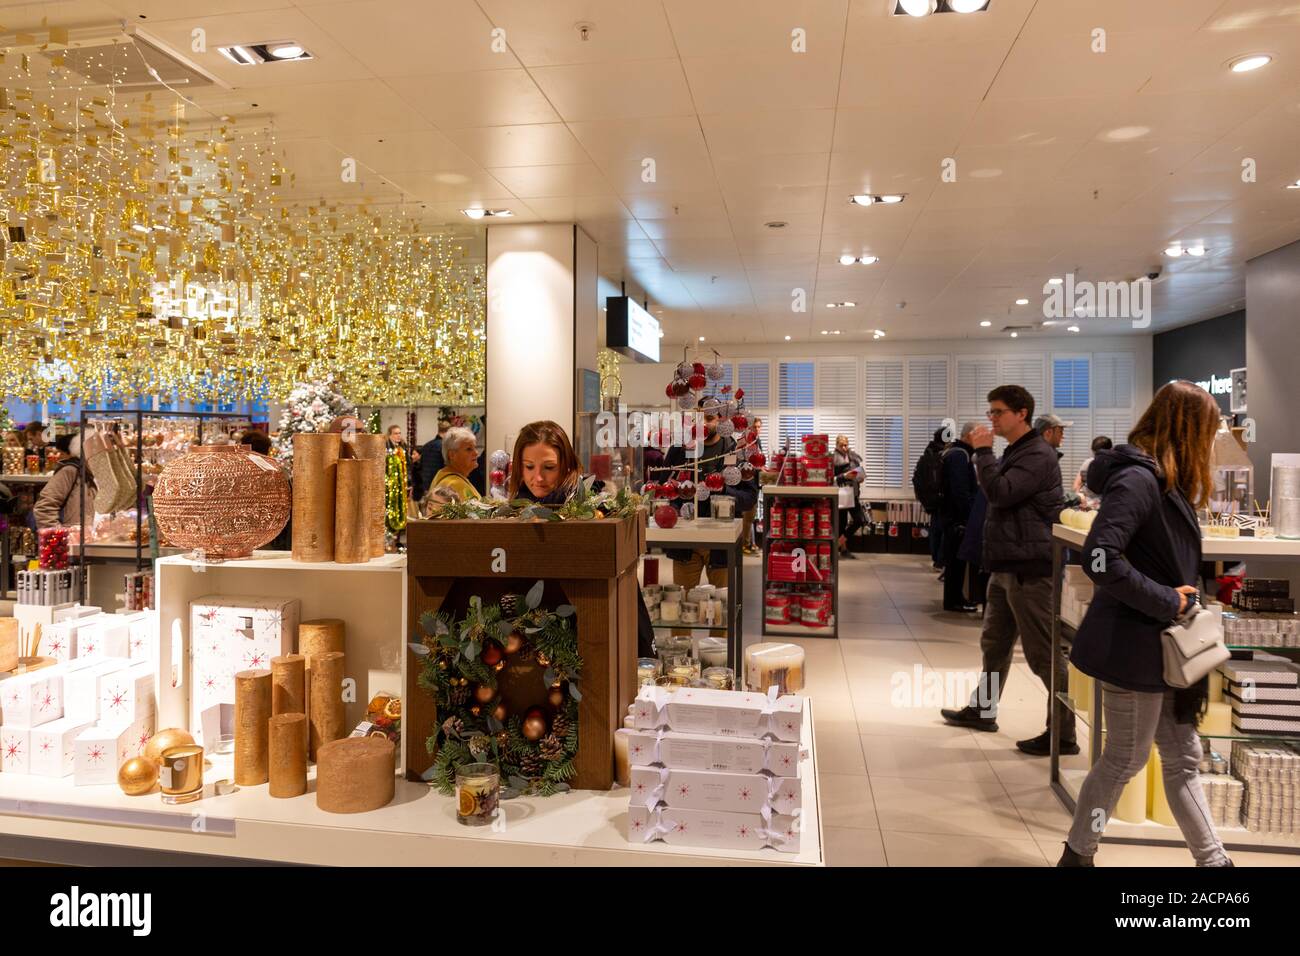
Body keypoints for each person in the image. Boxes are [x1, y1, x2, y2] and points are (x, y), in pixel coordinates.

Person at [1060, 381, 1230, 867]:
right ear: (1188, 429)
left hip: (1168, 648)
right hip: (1137, 644)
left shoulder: (1162, 480)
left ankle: (1215, 862)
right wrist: (1167, 601)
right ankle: (1078, 853)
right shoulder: (1139, 480)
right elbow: (1099, 558)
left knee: (1182, 760)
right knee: (1124, 761)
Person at [940, 385, 1073, 756]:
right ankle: (983, 709)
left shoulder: (1038, 454)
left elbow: (1000, 492)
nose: (991, 418)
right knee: (994, 644)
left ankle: (1063, 733)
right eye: (991, 412)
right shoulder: (1018, 450)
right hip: (1007, 566)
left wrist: (982, 451)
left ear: (1022, 413)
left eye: (998, 412)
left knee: (1044, 655)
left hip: (1031, 569)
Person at [509, 420, 654, 657]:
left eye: (548, 467)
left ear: (565, 465)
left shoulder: (592, 507)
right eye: (528, 466)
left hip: (592, 629)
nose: (538, 477)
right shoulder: (519, 504)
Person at [662, 399, 759, 596]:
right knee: (680, 607)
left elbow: (749, 498)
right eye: (698, 418)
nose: (703, 424)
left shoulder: (736, 450)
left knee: (722, 612)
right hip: (685, 543)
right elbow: (662, 487)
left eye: (709, 418)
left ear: (721, 419)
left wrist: (722, 490)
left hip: (721, 543)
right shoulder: (680, 450)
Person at [939, 422, 980, 612]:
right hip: (956, 518)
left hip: (950, 516)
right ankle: (954, 601)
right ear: (970, 435)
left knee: (955, 560)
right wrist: (970, 516)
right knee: (955, 561)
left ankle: (957, 598)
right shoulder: (959, 455)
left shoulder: (955, 453)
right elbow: (960, 491)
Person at [35, 434, 92, 529]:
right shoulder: (71, 470)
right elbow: (44, 508)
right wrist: (60, 537)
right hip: (74, 539)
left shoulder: (96, 474)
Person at [913, 426, 948, 570]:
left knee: (935, 528)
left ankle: (936, 559)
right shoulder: (944, 454)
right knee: (944, 529)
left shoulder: (927, 454)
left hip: (931, 499)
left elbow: (917, 478)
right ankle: (940, 561)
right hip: (944, 498)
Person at [426, 426, 481, 502]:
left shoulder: (443, 474)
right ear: (452, 455)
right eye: (469, 449)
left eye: (475, 448)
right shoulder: (454, 484)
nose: (476, 453)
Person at [832, 434, 864, 558]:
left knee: (859, 520)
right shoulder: (833, 458)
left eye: (846, 445)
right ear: (836, 445)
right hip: (840, 494)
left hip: (853, 493)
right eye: (842, 445)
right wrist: (844, 476)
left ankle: (838, 545)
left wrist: (860, 477)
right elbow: (830, 480)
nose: (845, 448)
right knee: (841, 523)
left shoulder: (852, 456)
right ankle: (843, 550)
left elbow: (858, 473)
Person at [740, 417, 764, 555]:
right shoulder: (747, 441)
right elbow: (748, 463)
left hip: (754, 481)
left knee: (751, 516)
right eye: (755, 427)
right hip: (747, 483)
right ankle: (745, 545)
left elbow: (757, 461)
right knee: (748, 516)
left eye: (759, 427)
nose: (757, 429)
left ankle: (750, 543)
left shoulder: (757, 440)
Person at [415, 419, 451, 501]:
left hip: (425, 485)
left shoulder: (427, 445)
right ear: (448, 432)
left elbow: (421, 465)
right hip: (439, 485)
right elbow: (445, 466)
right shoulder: (444, 447)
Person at [1074, 435, 1113, 503]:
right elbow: (1077, 484)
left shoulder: (1114, 465)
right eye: (1095, 454)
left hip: (1104, 505)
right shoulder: (1088, 462)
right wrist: (1079, 497)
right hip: (1086, 503)